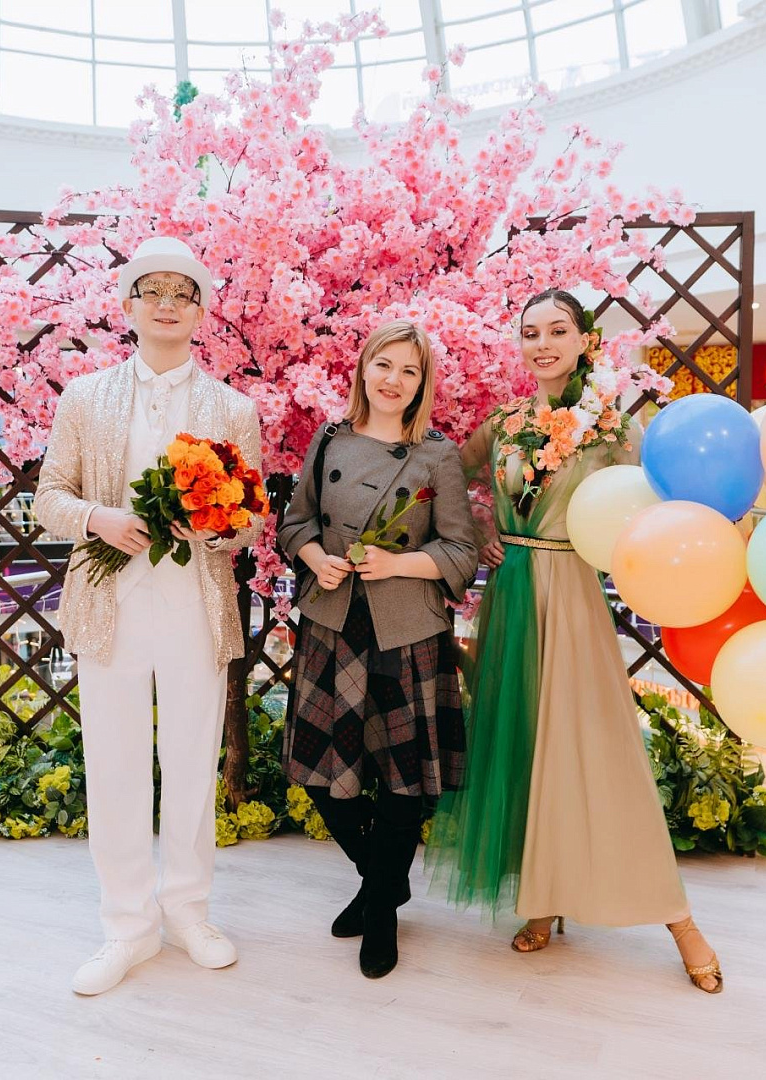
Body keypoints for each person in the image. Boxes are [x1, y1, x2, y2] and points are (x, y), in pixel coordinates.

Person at [426, 288, 723, 993]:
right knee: (528, 750)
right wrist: (481, 532)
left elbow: (661, 499)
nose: (543, 344)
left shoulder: (611, 425)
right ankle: (543, 897)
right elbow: (444, 479)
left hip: (576, 597)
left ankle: (679, 920)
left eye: (557, 330)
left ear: (586, 340)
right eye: (530, 332)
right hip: (512, 594)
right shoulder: (504, 424)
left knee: (599, 752)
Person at [33, 236, 263, 996]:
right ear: (128, 306)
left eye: (182, 292)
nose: (167, 304)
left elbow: (251, 515)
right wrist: (98, 518)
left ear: (200, 311)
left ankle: (189, 912)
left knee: (193, 762)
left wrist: (221, 526)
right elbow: (48, 498)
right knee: (116, 764)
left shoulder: (233, 408)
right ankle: (126, 927)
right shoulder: (84, 397)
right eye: (152, 291)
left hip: (195, 601)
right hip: (111, 603)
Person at [279, 320, 478, 979]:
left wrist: (398, 565)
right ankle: (383, 882)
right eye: (384, 365)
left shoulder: (436, 455)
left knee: (400, 778)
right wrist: (316, 557)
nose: (394, 380)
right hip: (332, 620)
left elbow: (461, 549)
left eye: (409, 371)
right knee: (322, 775)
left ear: (422, 384)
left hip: (406, 629)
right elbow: (296, 521)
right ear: (363, 368)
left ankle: (381, 913)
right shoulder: (329, 438)